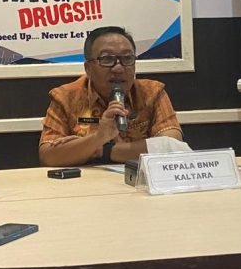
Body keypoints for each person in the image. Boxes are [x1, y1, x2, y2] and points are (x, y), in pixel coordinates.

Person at [39, 26, 185, 167]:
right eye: (107, 59)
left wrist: (103, 150)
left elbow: (172, 145)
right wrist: (98, 138)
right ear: (88, 68)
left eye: (127, 58)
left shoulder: (152, 92)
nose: (118, 68)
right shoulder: (65, 97)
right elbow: (48, 156)